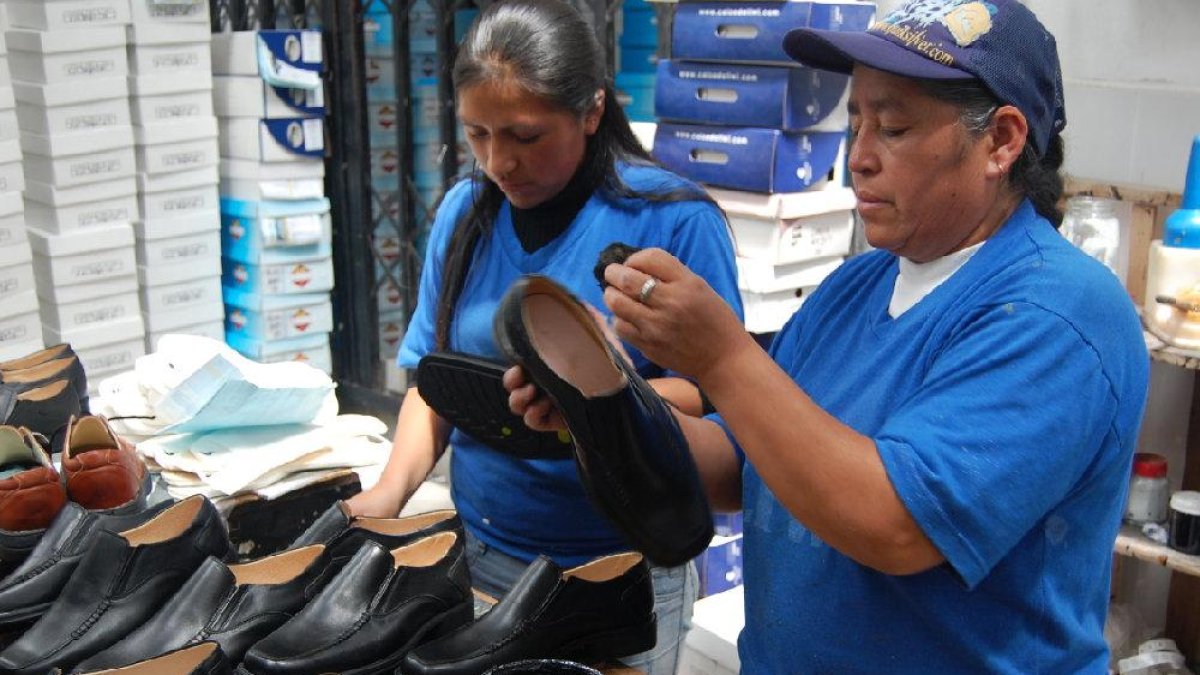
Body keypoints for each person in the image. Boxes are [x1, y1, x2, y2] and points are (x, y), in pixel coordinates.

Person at [506, 0, 1151, 672]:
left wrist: (722, 355)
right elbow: (743, 461)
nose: (860, 156)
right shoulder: (858, 285)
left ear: (1002, 140)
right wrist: (605, 405)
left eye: (894, 127)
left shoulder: (1060, 315)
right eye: (855, 121)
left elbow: (897, 524)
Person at [347, 0, 744, 672]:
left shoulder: (670, 221)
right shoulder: (465, 214)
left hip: (617, 572)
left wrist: (605, 387)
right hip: (482, 553)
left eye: (526, 136)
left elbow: (717, 397)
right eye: (478, 134)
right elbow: (432, 382)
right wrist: (390, 492)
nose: (500, 160)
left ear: (591, 111)